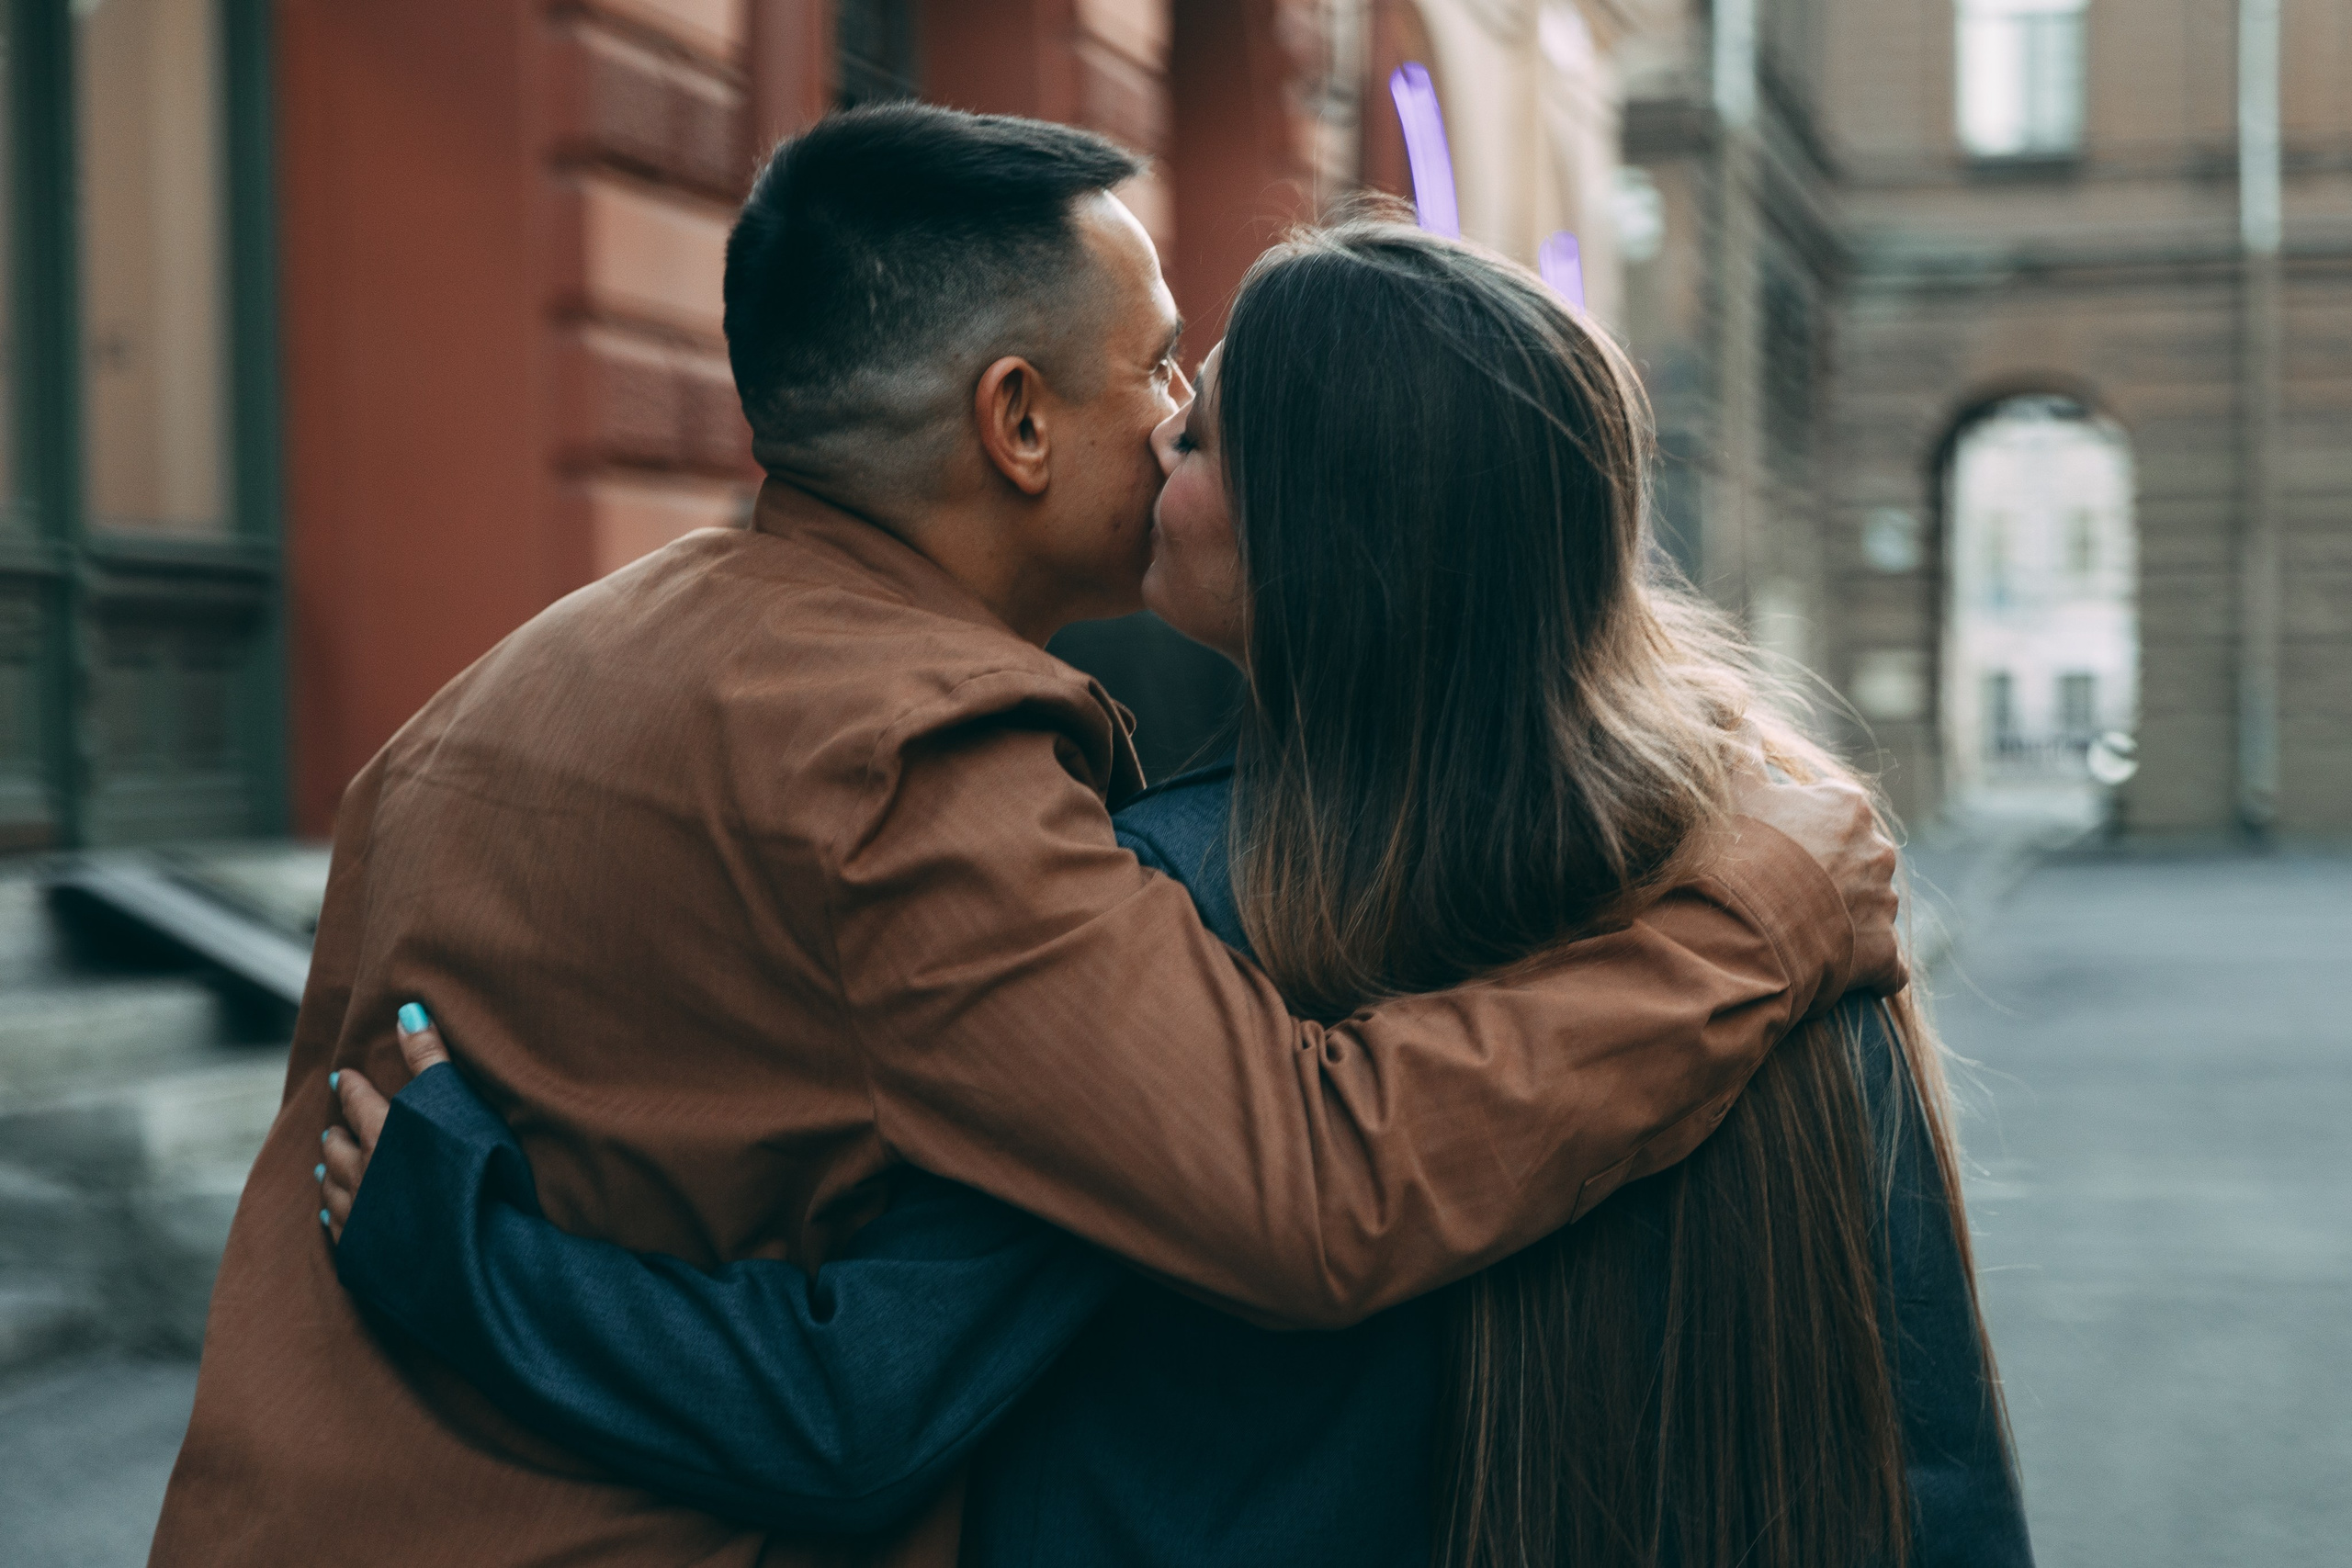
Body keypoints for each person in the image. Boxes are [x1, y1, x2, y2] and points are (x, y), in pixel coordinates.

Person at [151, 107, 1900, 1568]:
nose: (1176, 415)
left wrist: (465, 1253)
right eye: (1154, 370)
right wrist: (1754, 920)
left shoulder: (495, 696)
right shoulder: (917, 764)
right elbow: (1309, 1194)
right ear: (1013, 421)